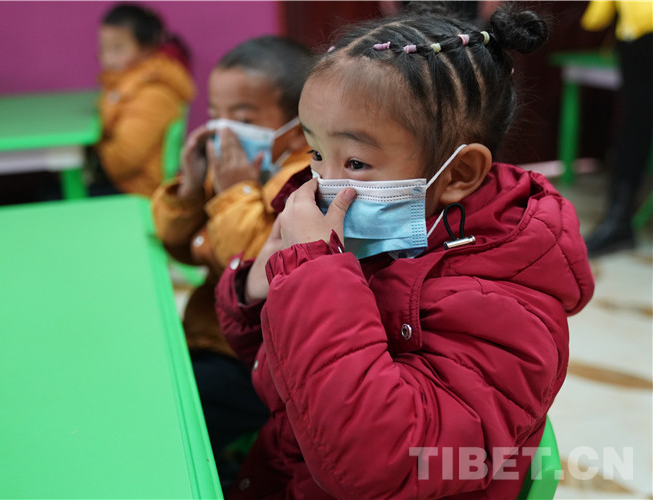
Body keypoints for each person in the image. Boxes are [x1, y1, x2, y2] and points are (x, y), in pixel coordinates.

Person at [215, 5, 595, 499]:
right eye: (315, 153)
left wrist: (312, 276)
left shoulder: (508, 308)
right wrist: (257, 286)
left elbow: (377, 464)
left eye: (355, 162)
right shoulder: (378, 238)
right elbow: (283, 372)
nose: (322, 183)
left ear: (458, 175)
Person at [150, 36, 313, 491]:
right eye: (215, 115)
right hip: (209, 337)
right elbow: (185, 249)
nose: (223, 131)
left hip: (253, 362)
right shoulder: (237, 171)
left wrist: (233, 194)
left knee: (165, 420)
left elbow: (250, 267)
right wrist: (188, 191)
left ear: (297, 129)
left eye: (242, 119)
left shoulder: (300, 182)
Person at [95, 3, 195, 198]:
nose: (107, 58)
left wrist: (94, 157)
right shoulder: (125, 81)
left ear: (147, 48)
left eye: (118, 48)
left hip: (139, 189)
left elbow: (125, 158)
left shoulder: (153, 93)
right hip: (125, 180)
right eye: (103, 48)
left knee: (48, 194)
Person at [580, 1, 653, 257]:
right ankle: (618, 220)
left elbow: (594, 19)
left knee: (633, 131)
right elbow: (594, 19)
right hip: (637, 42)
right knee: (633, 131)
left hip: (637, 38)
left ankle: (618, 220)